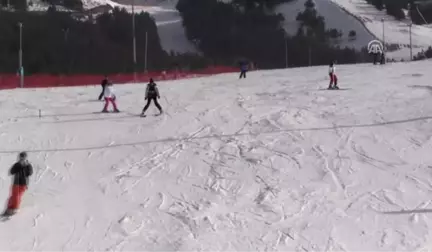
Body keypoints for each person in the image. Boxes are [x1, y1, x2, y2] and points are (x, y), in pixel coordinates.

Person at [2, 152, 33, 216]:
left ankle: (15, 209)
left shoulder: (28, 166)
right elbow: (11, 172)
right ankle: (9, 208)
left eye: (23, 158)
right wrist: (18, 166)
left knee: (17, 196)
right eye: (21, 158)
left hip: (23, 184)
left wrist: (25, 166)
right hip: (16, 183)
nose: (22, 160)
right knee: (13, 196)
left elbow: (30, 173)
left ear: (26, 158)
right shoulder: (17, 165)